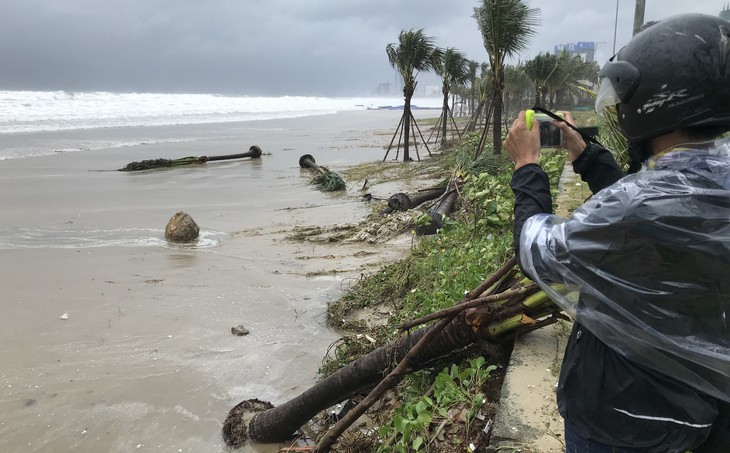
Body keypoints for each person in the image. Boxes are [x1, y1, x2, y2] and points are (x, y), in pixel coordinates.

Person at [504, 13, 730, 452]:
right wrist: (586, 156)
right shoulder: (710, 182)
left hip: (625, 420)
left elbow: (537, 250)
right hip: (709, 418)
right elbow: (657, 212)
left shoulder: (636, 205)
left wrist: (527, 167)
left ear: (649, 103)